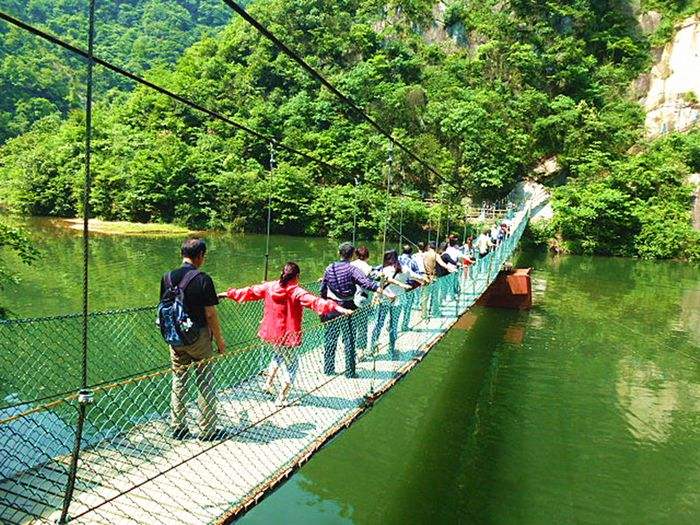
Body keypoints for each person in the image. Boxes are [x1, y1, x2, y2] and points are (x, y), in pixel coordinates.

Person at [220, 262, 351, 407]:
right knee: (292, 365)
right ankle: (281, 398)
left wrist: (227, 294)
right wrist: (338, 308)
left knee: (277, 356)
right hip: (288, 336)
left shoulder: (270, 286)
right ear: (297, 276)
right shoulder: (296, 291)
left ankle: (268, 384)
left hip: (272, 333)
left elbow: (249, 292)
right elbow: (316, 302)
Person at [161, 238, 226, 441]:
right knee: (205, 381)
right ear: (200, 256)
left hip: (175, 338)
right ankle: (208, 430)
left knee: (179, 381)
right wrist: (219, 340)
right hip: (198, 338)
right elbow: (210, 315)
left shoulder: (167, 277)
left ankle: (178, 427)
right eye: (203, 256)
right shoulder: (203, 278)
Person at [321, 242, 394, 377]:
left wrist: (323, 305)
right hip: (348, 306)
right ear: (352, 255)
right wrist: (384, 292)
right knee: (349, 339)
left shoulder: (329, 268)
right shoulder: (352, 270)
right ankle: (350, 372)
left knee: (330, 338)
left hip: (331, 307)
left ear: (339, 253)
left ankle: (328, 369)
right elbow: (366, 283)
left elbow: (323, 288)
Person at [369, 250, 411, 357]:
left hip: (385, 299)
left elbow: (379, 285)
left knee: (379, 323)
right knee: (394, 325)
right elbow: (411, 278)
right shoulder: (405, 269)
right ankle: (391, 349)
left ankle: (372, 347)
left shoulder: (384, 270)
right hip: (399, 299)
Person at [350, 246, 376, 354]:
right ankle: (360, 351)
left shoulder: (350, 265)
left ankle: (350, 348)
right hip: (362, 298)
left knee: (351, 324)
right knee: (362, 325)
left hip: (349, 298)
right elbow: (373, 283)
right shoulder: (368, 268)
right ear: (368, 256)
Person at [397, 244, 426, 331]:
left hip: (398, 284)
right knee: (407, 306)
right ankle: (404, 325)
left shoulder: (397, 259)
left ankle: (390, 324)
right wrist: (423, 280)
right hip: (409, 286)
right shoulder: (412, 261)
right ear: (411, 252)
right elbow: (417, 274)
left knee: (397, 306)